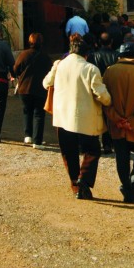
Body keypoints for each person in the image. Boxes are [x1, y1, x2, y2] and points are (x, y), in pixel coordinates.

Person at [42, 35, 111, 200]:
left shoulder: (59, 65)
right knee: (92, 150)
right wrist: (109, 99)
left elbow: (46, 83)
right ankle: (84, 180)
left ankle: (76, 185)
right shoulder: (90, 69)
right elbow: (102, 96)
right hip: (85, 119)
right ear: (85, 54)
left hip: (62, 118)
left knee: (69, 153)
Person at [103, 42, 134, 203]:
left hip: (117, 125)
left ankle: (126, 186)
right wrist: (133, 121)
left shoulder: (110, 72)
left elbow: (105, 100)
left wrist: (117, 119)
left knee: (121, 156)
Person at [14, 32, 52, 149]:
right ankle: (37, 141)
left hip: (24, 88)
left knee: (27, 111)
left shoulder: (23, 55)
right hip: (40, 89)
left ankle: (28, 135)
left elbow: (16, 69)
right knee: (39, 114)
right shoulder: (45, 57)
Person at [88, 33, 118, 153]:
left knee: (97, 115)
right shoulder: (116, 55)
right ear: (111, 42)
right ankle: (109, 143)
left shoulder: (93, 56)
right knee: (110, 116)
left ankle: (97, 141)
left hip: (97, 87)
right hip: (112, 87)